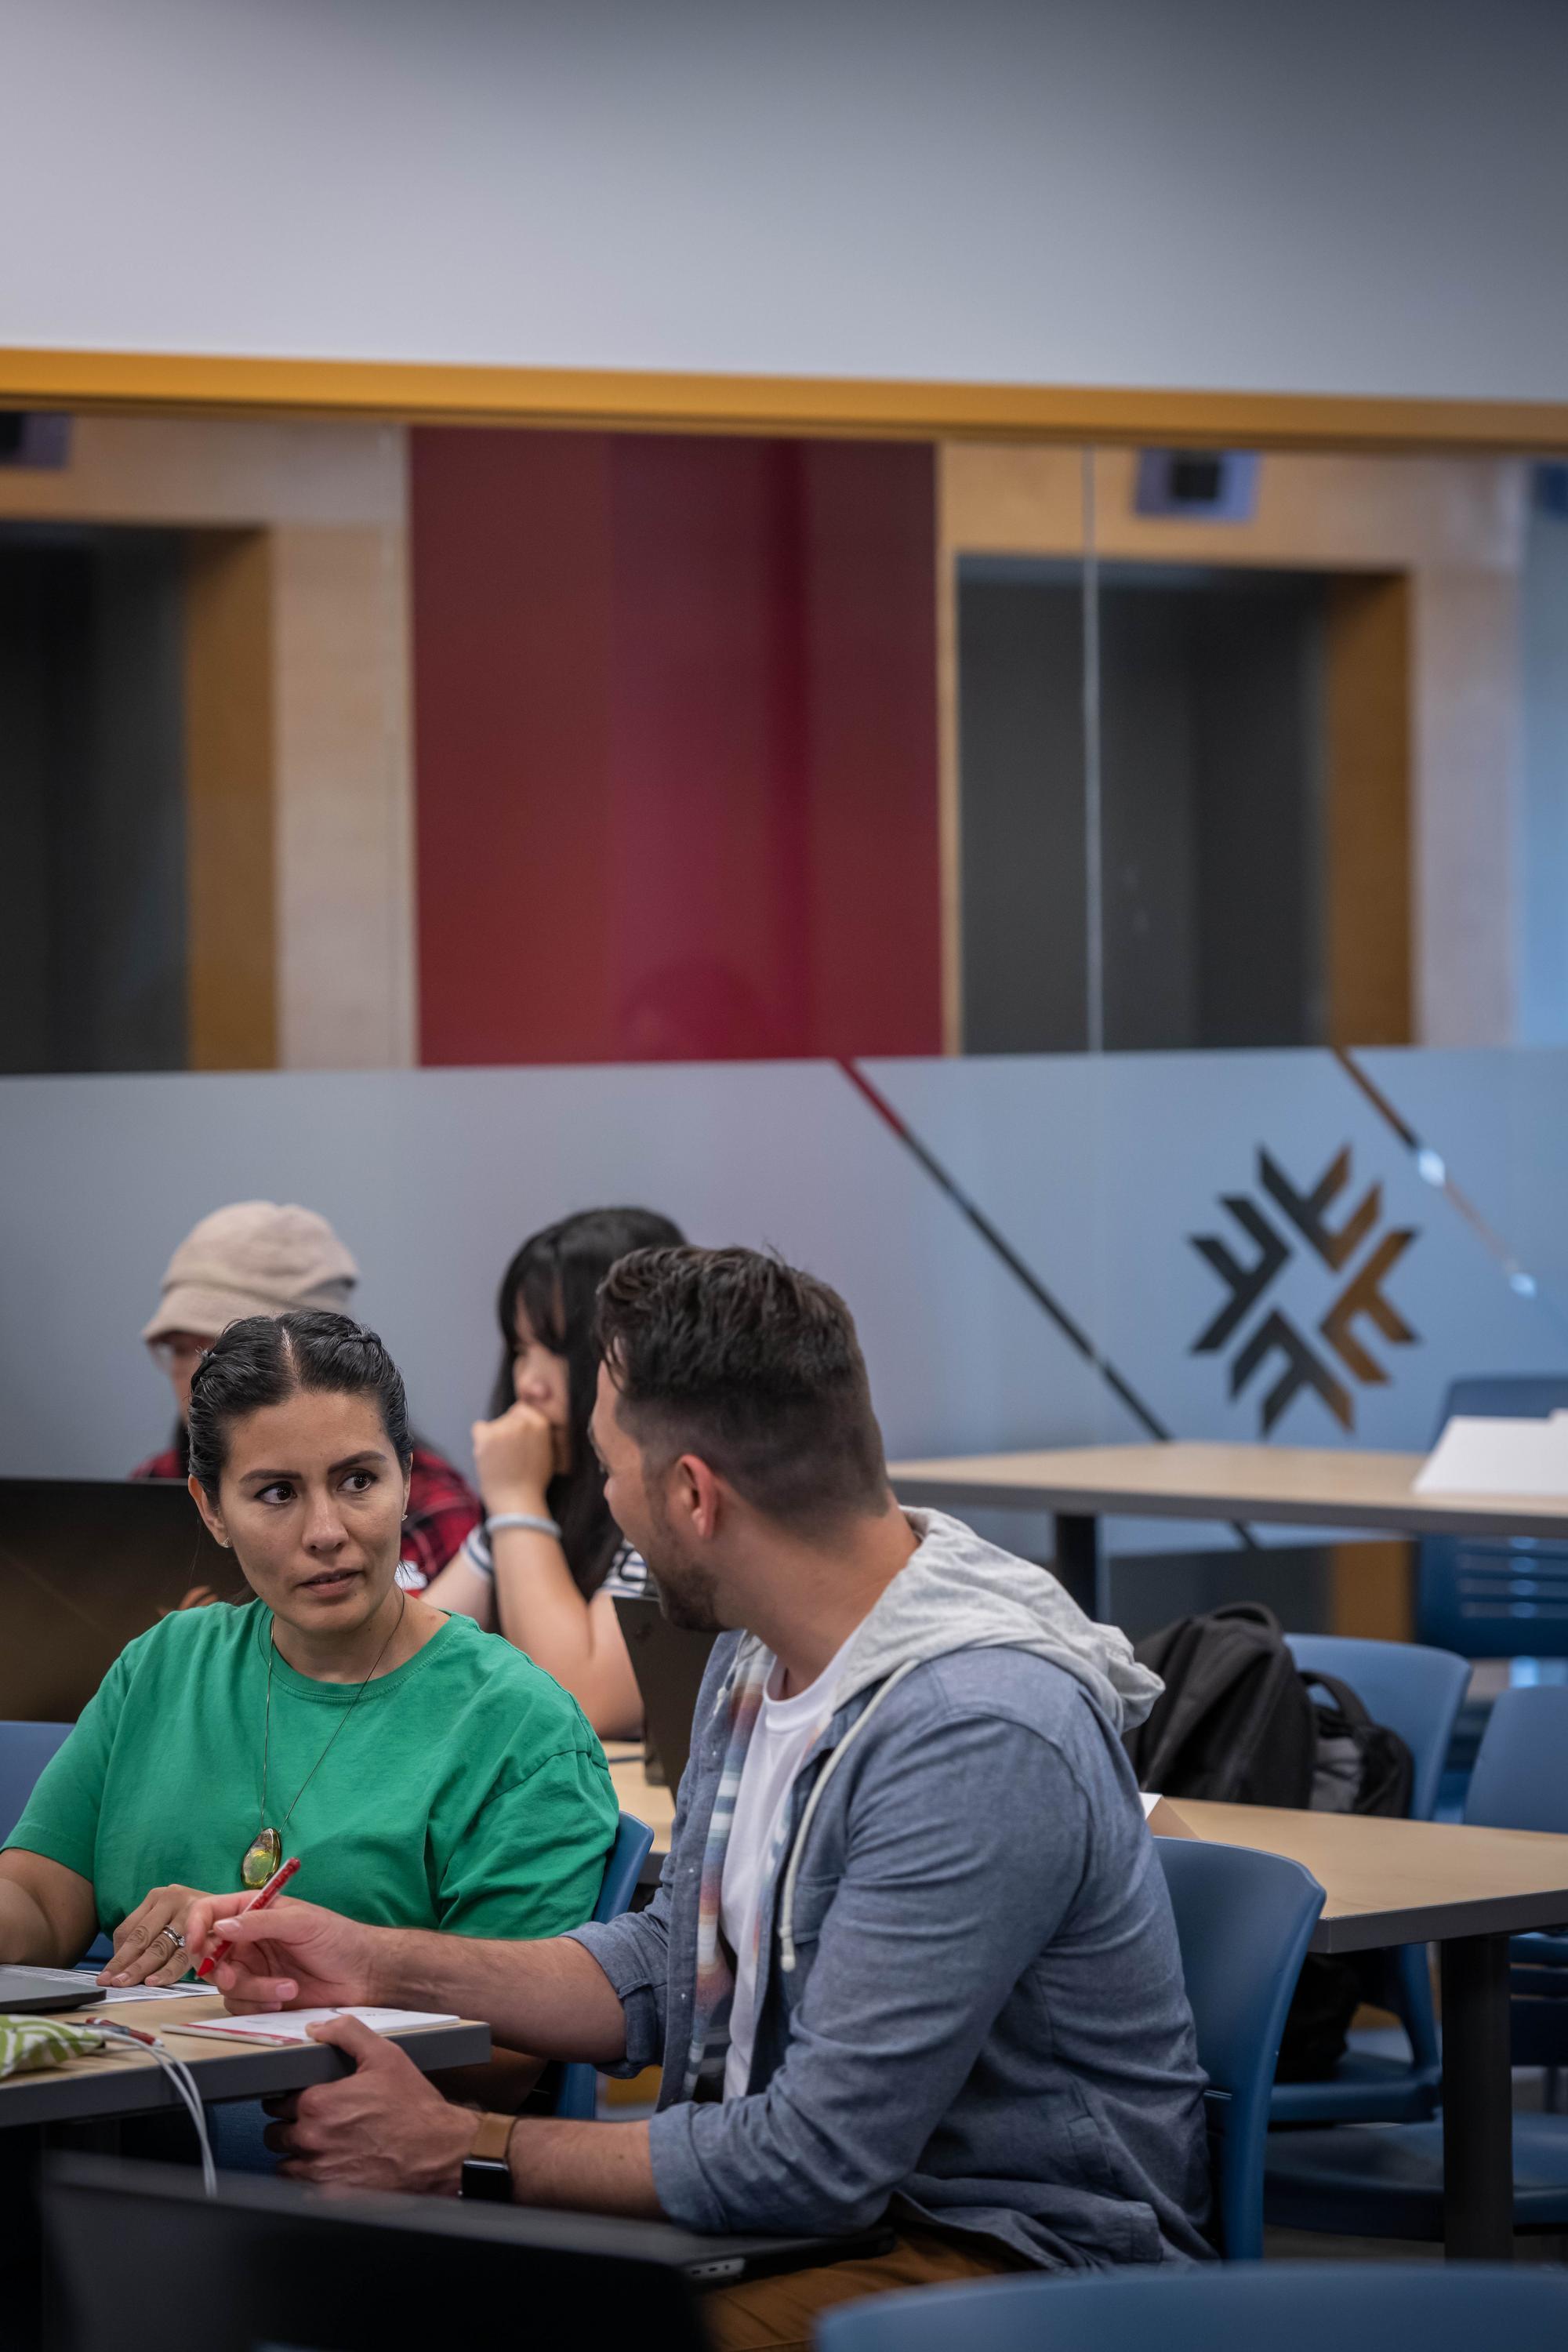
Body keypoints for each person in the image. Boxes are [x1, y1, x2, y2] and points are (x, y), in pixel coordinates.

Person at [185, 1248, 1212, 2349]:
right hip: (820, 2233)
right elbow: (674, 1965)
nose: (607, 1502)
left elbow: (814, 2161)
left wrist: (460, 2146)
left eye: (610, 1469)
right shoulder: (753, 1655)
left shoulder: (973, 1730)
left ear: (691, 1494)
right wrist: (378, 1958)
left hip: (1010, 2260)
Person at [3, 1310, 616, 1987]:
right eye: (276, 1493)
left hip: (357, 2090)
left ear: (407, 1478)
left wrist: (273, 1954)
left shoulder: (519, 1727)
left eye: (358, 1481)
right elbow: (37, 1902)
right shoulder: (162, 1665)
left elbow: (509, 2054)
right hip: (135, 2089)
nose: (325, 1531)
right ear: (211, 1510)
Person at [426, 1206, 684, 1739]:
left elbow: (584, 1702)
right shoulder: (546, 1490)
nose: (530, 1383)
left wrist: (517, 1499)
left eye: (561, 1352)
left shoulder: (669, 1502)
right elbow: (406, 1659)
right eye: (522, 1350)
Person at [134, 1200, 481, 1586]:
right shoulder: (152, 1484)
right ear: (209, 1507)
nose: (200, 1373)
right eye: (182, 1349)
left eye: (358, 1482)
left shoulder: (433, 1507)